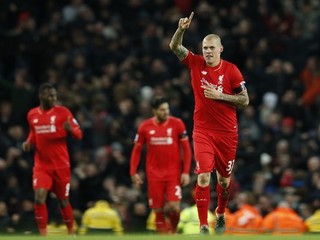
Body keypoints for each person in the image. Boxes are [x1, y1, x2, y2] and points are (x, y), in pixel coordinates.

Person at [169, 12, 250, 234]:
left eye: (212, 48)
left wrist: (220, 95)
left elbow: (245, 100)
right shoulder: (195, 63)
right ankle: (204, 224)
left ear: (220, 49)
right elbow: (175, 47)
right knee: (204, 175)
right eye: (205, 47)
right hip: (203, 130)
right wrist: (181, 30)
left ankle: (220, 214)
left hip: (227, 133)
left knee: (223, 182)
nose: (207, 51)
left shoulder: (231, 70)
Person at [22, 83, 82, 236]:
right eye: (50, 95)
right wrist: (29, 142)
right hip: (42, 166)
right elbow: (33, 133)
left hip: (61, 166)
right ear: (42, 96)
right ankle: (43, 234)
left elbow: (79, 134)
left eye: (55, 95)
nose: (54, 98)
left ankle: (71, 232)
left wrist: (71, 130)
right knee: (39, 198)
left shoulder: (63, 112)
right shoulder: (32, 115)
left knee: (63, 201)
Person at [130, 97, 192, 234]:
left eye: (167, 109)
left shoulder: (177, 124)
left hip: (173, 174)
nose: (166, 112)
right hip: (154, 174)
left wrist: (186, 172)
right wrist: (133, 172)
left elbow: (187, 149)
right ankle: (162, 236)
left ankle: (174, 232)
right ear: (154, 111)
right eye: (162, 110)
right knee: (158, 210)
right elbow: (136, 150)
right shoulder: (145, 126)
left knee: (174, 207)